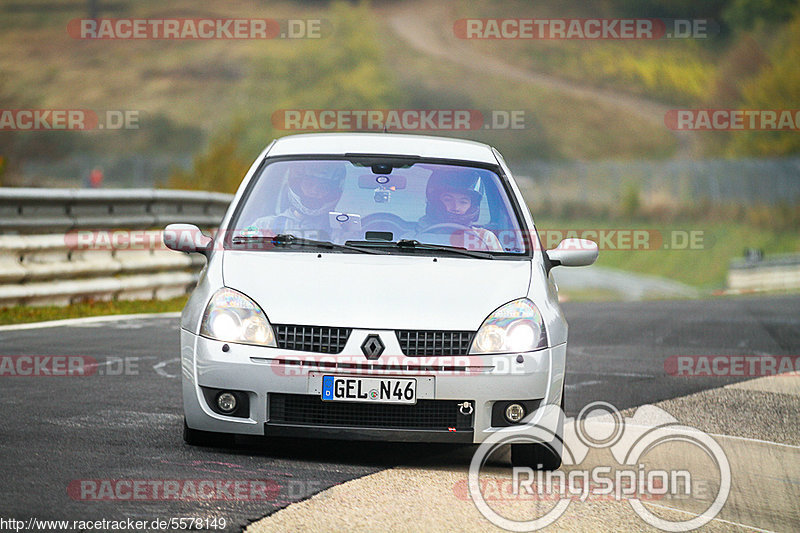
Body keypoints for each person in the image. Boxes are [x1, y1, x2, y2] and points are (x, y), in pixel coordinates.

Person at [246, 161, 346, 239]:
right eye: (309, 184)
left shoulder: (339, 232)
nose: (314, 191)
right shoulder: (264, 225)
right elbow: (240, 250)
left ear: (331, 193)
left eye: (323, 187)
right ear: (297, 185)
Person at [418, 168, 503, 251]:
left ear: (472, 206)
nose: (456, 208)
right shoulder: (414, 236)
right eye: (448, 199)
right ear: (436, 202)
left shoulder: (485, 238)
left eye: (463, 202)